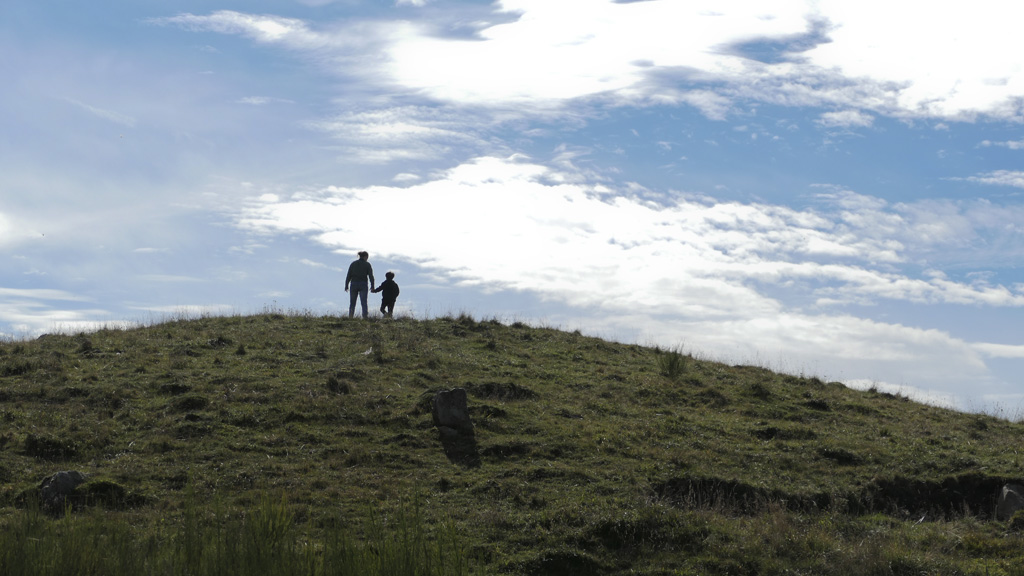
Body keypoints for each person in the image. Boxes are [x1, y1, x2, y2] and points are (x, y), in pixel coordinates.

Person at [344, 251, 375, 318]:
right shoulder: (367, 264)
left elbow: (348, 275)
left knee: (352, 303)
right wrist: (372, 286)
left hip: (353, 284)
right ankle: (365, 317)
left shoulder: (353, 264)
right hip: (363, 284)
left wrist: (346, 285)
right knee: (364, 302)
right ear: (365, 256)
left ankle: (351, 316)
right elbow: (371, 276)